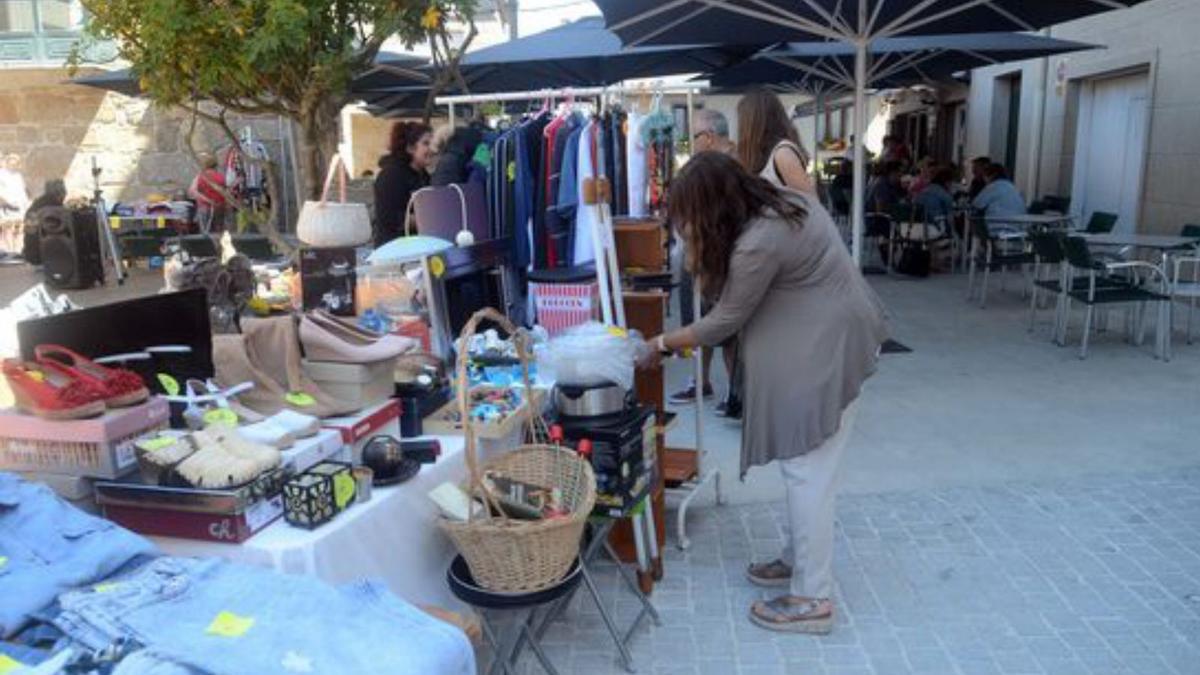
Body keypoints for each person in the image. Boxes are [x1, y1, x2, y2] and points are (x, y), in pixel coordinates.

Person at [642, 152, 886, 634]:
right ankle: (798, 561)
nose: (685, 224)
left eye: (689, 215)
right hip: (832, 340)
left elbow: (724, 319)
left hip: (828, 351)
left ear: (710, 209)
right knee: (805, 469)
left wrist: (661, 342)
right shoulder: (781, 205)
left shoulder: (758, 241)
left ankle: (813, 599)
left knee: (807, 473)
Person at [672, 109, 741, 416]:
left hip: (719, 256)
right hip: (700, 252)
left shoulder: (732, 166)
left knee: (725, 328)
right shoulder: (711, 165)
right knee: (702, 322)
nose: (691, 144)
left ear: (710, 137)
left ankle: (737, 392)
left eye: (694, 137)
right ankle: (703, 382)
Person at [737, 89, 813, 193]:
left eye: (742, 120)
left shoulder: (783, 153)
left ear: (753, 122)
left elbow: (810, 202)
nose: (740, 128)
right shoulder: (765, 154)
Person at [373, 121, 433, 248]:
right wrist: (429, 218)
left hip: (417, 244)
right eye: (426, 143)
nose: (432, 149)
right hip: (393, 248)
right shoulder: (391, 175)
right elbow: (390, 217)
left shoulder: (424, 175)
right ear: (410, 148)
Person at [21, 179, 67, 264]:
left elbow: (30, 234)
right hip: (49, 259)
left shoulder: (34, 207)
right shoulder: (55, 208)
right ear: (60, 193)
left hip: (32, 256)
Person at [187, 153, 230, 233]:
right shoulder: (221, 177)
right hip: (220, 207)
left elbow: (192, 191)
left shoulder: (201, 176)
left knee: (206, 232)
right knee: (219, 232)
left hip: (205, 208)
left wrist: (207, 200)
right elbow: (226, 193)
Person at [0, 154, 30, 255]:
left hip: (20, 207)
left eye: (16, 164)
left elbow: (23, 191)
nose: (14, 165)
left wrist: (26, 204)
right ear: (7, 163)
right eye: (11, 163)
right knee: (8, 229)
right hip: (7, 207)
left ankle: (18, 250)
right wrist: (7, 204)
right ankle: (9, 251)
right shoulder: (1, 175)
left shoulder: (18, 175)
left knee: (20, 228)